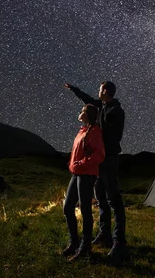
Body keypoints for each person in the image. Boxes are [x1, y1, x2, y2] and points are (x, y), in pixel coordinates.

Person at [64, 81, 127, 265]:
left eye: (100, 90)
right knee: (100, 197)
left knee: (114, 199)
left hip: (109, 159)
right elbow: (88, 100)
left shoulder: (116, 111)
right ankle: (104, 233)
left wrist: (95, 139)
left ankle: (119, 242)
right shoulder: (102, 106)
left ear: (105, 91)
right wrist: (75, 89)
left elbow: (115, 137)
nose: (97, 93)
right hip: (99, 161)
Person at [62, 104, 105, 262]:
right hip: (77, 173)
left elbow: (99, 155)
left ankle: (85, 248)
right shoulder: (83, 130)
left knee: (85, 210)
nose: (80, 112)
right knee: (68, 207)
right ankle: (74, 242)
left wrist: (80, 164)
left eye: (82, 110)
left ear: (88, 115)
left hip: (86, 174)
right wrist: (72, 163)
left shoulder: (95, 132)